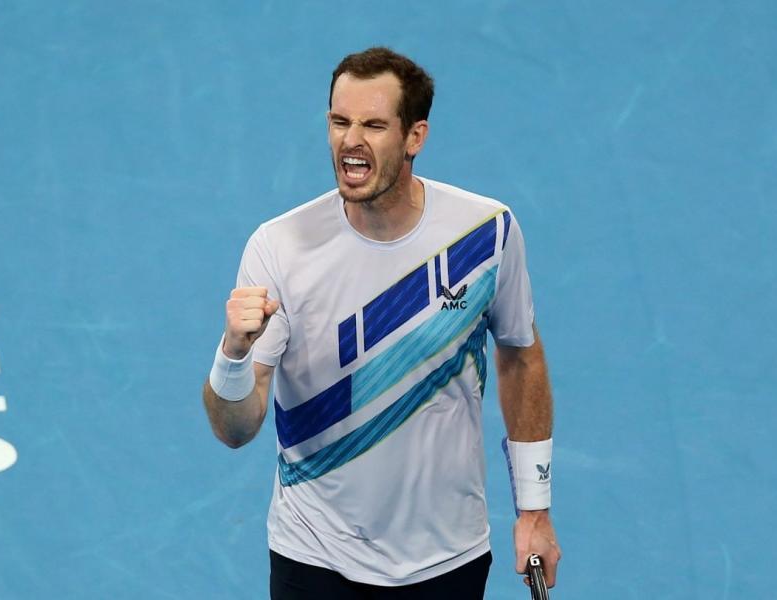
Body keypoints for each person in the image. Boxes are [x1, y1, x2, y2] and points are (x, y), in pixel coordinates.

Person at [203, 47, 561, 599]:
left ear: (415, 137)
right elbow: (235, 429)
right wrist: (232, 356)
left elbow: (520, 355)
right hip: (314, 555)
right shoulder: (278, 249)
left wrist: (534, 509)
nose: (351, 141)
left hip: (447, 557)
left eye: (373, 125)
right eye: (340, 122)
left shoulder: (484, 235)